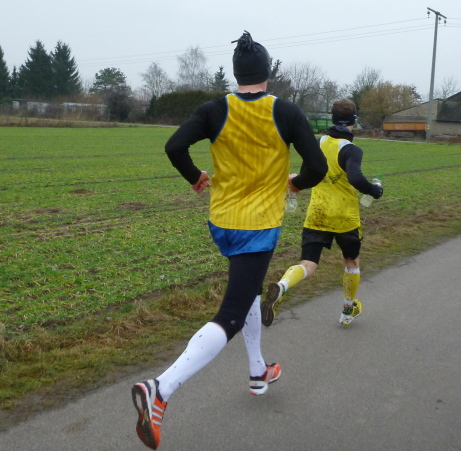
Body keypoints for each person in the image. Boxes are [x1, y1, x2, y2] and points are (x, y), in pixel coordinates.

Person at [130, 31, 328, 450]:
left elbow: (174, 146)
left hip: (222, 221)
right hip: (258, 226)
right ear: (268, 73)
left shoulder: (214, 109)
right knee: (231, 316)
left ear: (237, 74)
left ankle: (258, 371)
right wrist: (296, 183)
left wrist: (195, 176)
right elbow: (318, 167)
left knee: (250, 290)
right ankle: (160, 389)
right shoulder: (286, 112)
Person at [260, 98, 383, 328]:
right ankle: (348, 311)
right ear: (353, 120)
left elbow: (306, 176)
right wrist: (375, 190)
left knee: (308, 264)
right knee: (352, 261)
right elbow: (356, 178)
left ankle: (282, 286)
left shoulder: (318, 143)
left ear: (333, 118)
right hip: (344, 217)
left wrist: (294, 182)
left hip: (317, 213)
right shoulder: (351, 149)